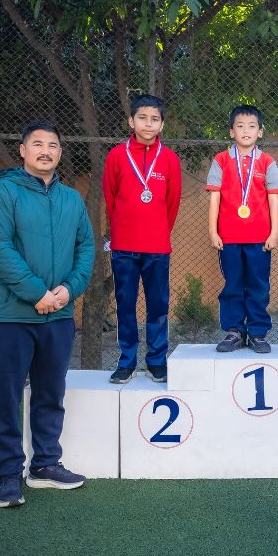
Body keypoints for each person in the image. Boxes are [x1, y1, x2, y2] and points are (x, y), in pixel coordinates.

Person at [0, 120, 95, 508]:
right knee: (4, 397)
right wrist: (37, 294)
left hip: (58, 316)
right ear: (23, 150)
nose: (46, 151)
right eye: (38, 144)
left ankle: (45, 465)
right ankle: (8, 475)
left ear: (60, 152)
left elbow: (86, 249)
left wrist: (69, 289)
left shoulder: (72, 199)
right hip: (10, 316)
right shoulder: (2, 194)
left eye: (53, 145)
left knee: (50, 393)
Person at [103, 94, 182, 384]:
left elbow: (172, 203)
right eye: (142, 118)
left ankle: (157, 362)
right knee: (125, 304)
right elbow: (110, 197)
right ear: (131, 121)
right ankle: (126, 361)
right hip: (124, 246)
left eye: (154, 119)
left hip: (157, 246)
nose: (148, 124)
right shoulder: (116, 156)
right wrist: (123, 229)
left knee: (158, 305)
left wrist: (158, 231)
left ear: (162, 124)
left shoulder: (170, 159)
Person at [207, 104, 278, 353]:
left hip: (260, 238)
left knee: (258, 285)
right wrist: (213, 231)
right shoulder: (220, 161)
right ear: (231, 131)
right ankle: (234, 331)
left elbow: (273, 199)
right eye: (240, 126)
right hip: (228, 237)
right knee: (233, 284)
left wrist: (274, 232)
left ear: (260, 131)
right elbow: (214, 198)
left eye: (251, 126)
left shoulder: (268, 162)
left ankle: (257, 332)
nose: (246, 131)